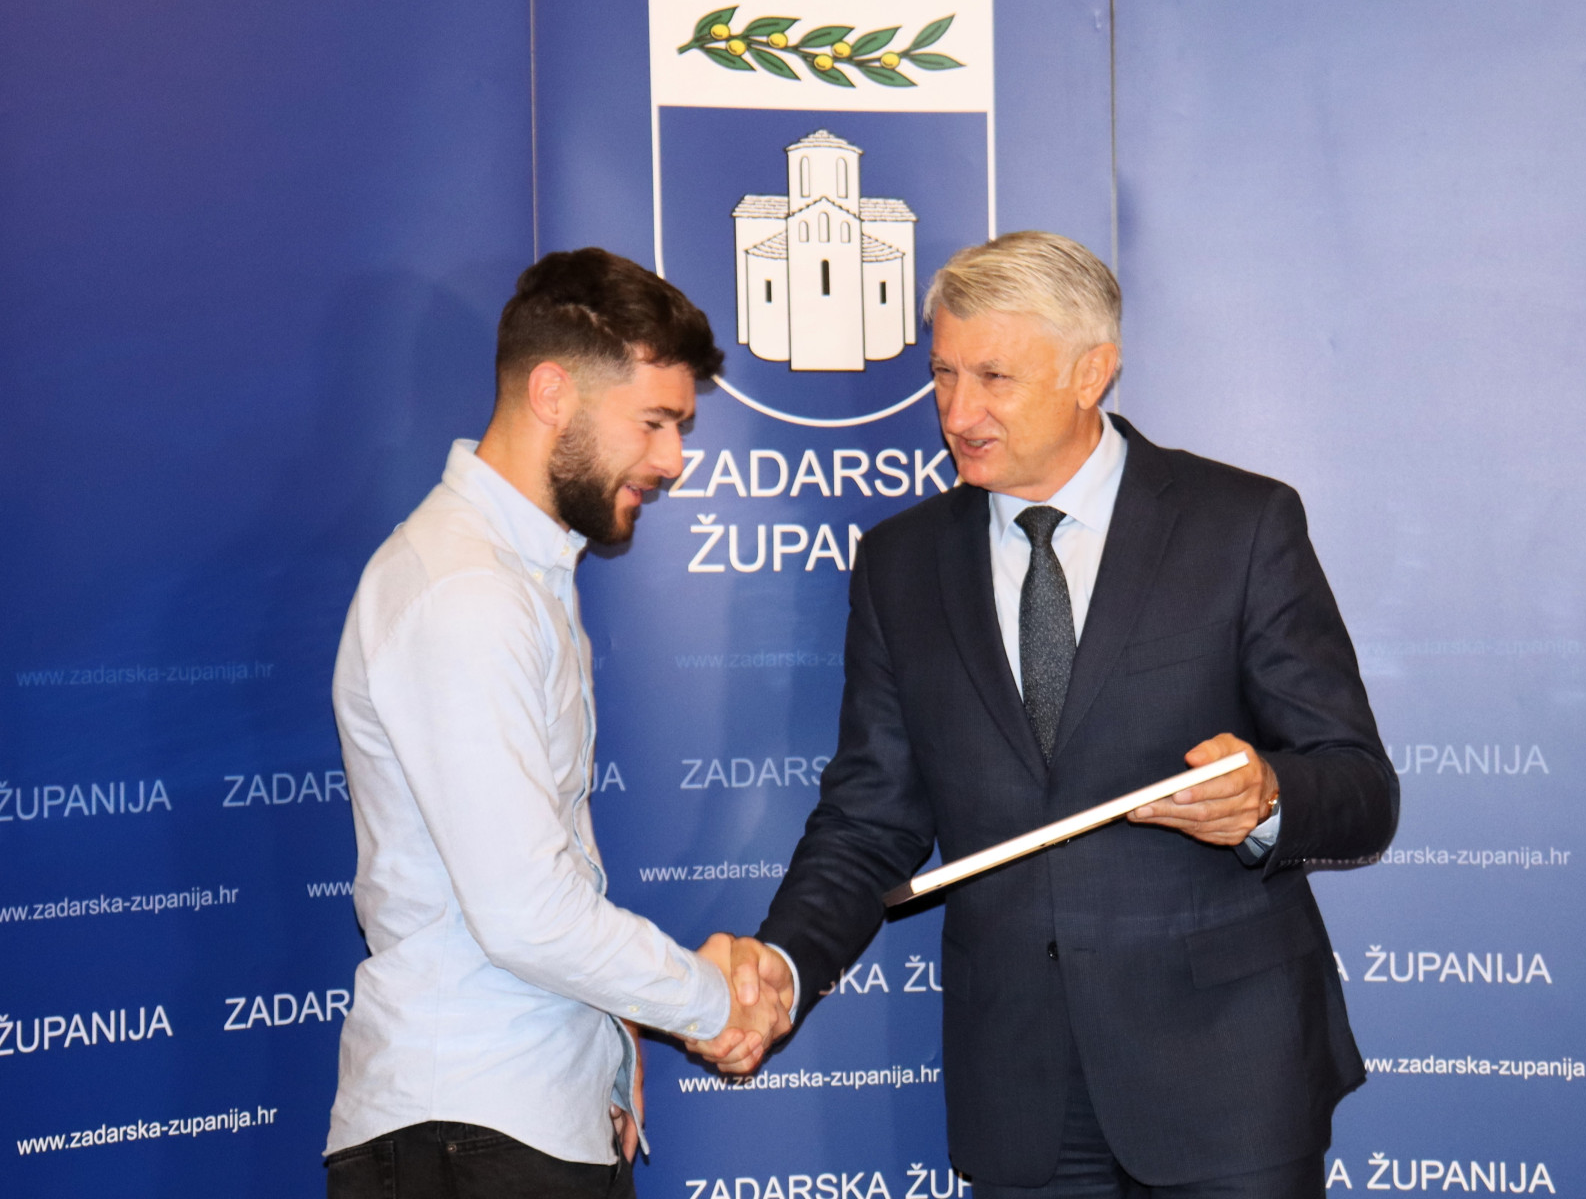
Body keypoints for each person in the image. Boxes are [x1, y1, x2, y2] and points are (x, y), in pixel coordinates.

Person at [733, 232, 1398, 1197]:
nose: (957, 412)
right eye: (943, 374)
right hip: (1020, 1089)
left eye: (994, 377)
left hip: (1229, 1076)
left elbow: (1359, 786)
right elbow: (869, 819)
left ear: (1092, 373)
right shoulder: (899, 564)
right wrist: (783, 962)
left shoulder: (1240, 524)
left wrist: (1266, 799)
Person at [324, 248, 788, 1199]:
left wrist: (606, 1042)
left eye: (680, 427)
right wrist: (708, 1002)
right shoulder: (465, 589)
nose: (673, 461)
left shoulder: (517, 573)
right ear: (551, 393)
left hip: (515, 1122)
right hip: (469, 1131)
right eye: (653, 422)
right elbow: (526, 912)